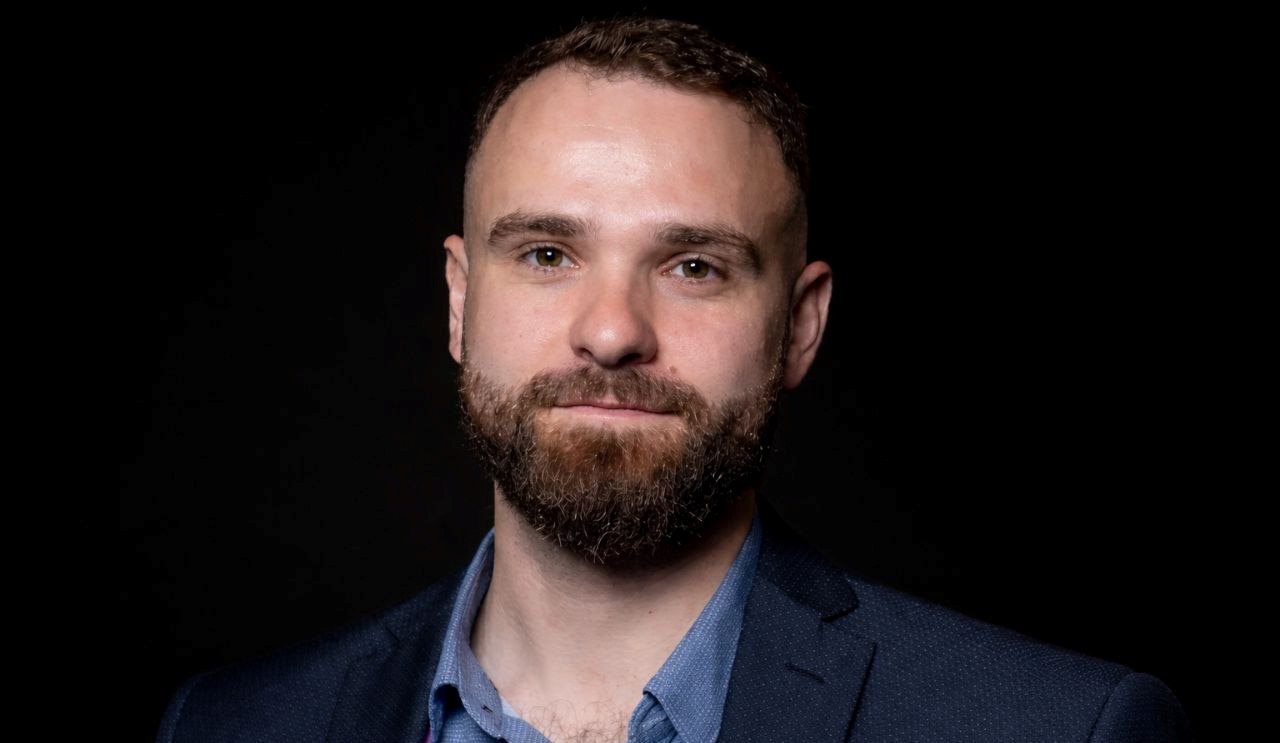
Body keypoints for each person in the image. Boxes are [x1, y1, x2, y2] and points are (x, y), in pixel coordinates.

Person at [155, 15, 1195, 743]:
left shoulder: (1058, 728)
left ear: (799, 326)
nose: (612, 332)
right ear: (460, 302)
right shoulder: (230, 727)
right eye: (547, 254)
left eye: (694, 266)